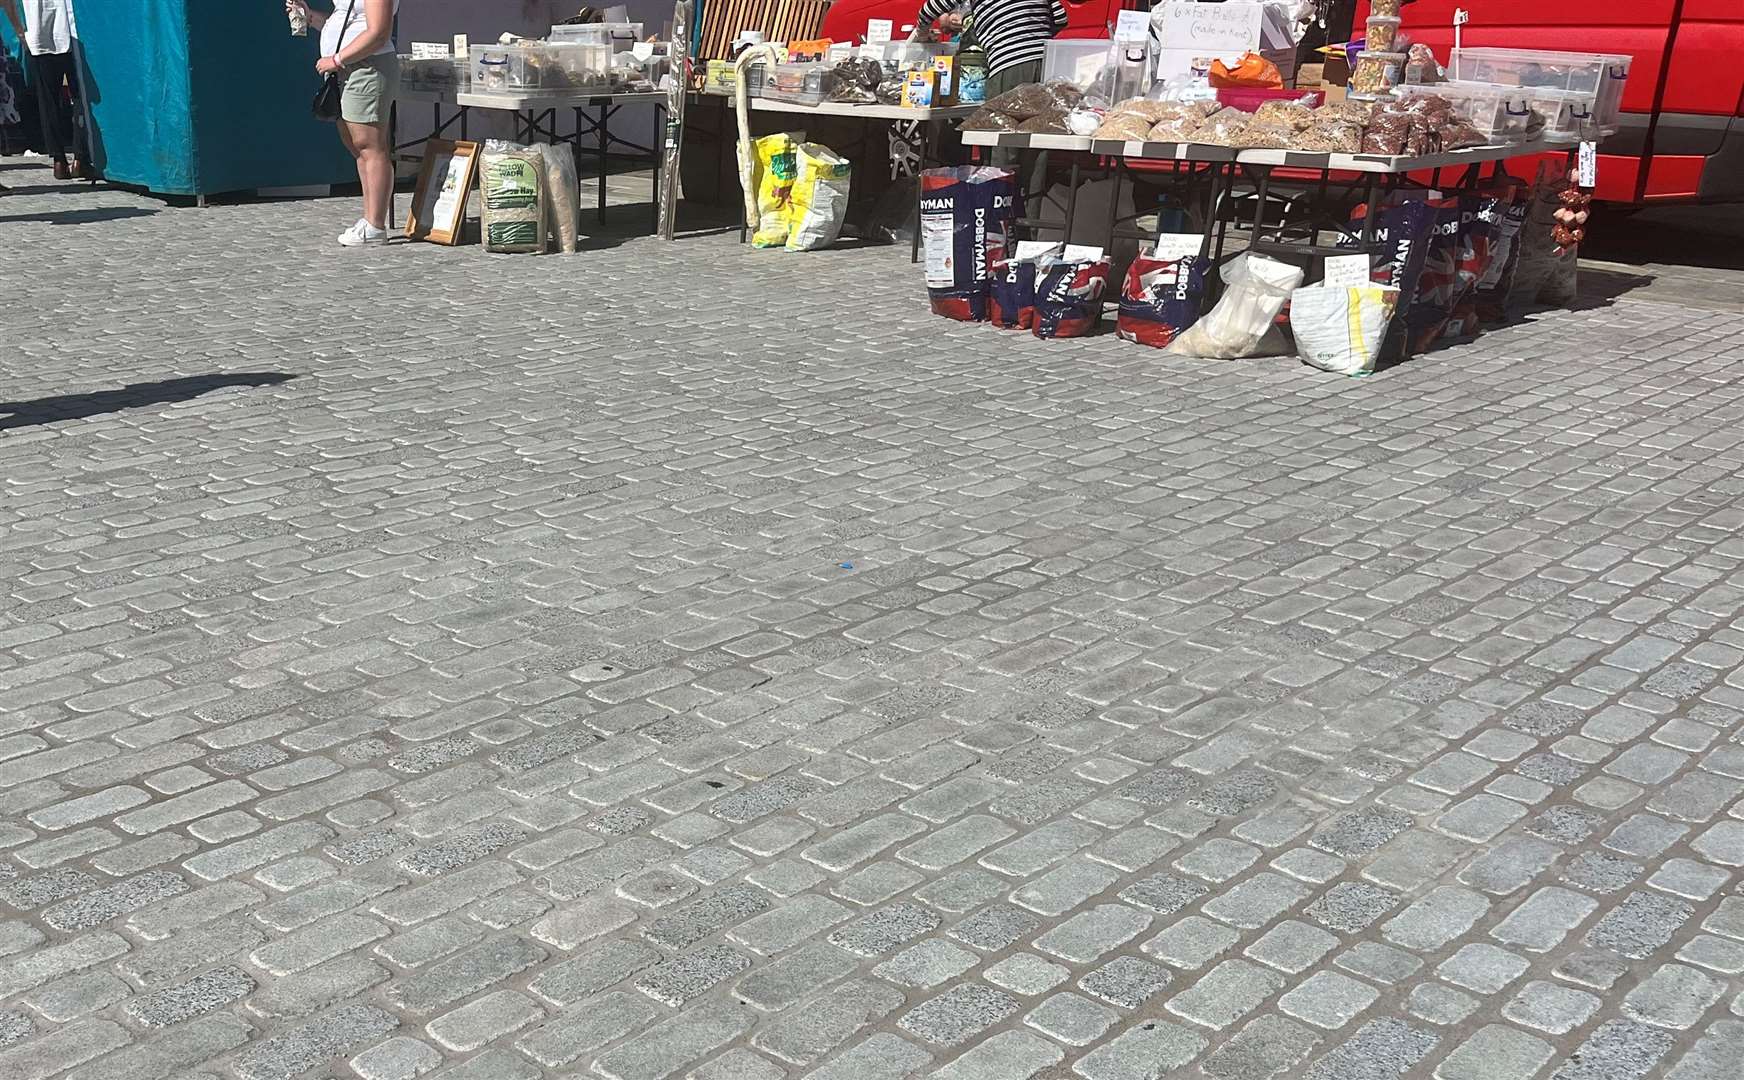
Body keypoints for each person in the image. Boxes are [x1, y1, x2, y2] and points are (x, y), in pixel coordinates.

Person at [288, 0, 401, 247]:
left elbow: (378, 32)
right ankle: (369, 219)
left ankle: (375, 225)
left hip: (367, 67)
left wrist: (337, 59)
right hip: (346, 70)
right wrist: (311, 17)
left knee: (370, 145)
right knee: (356, 146)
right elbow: (345, 20)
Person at [4, 0, 88, 180]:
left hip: (39, 36)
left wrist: (20, 32)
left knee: (48, 101)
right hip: (69, 32)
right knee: (79, 96)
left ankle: (59, 159)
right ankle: (81, 157)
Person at [915, 0, 1064, 100]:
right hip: (1048, 64)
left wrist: (922, 32)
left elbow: (933, 7)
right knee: (1041, 134)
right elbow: (1060, 18)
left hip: (1009, 63)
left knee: (1002, 134)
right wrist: (1035, 38)